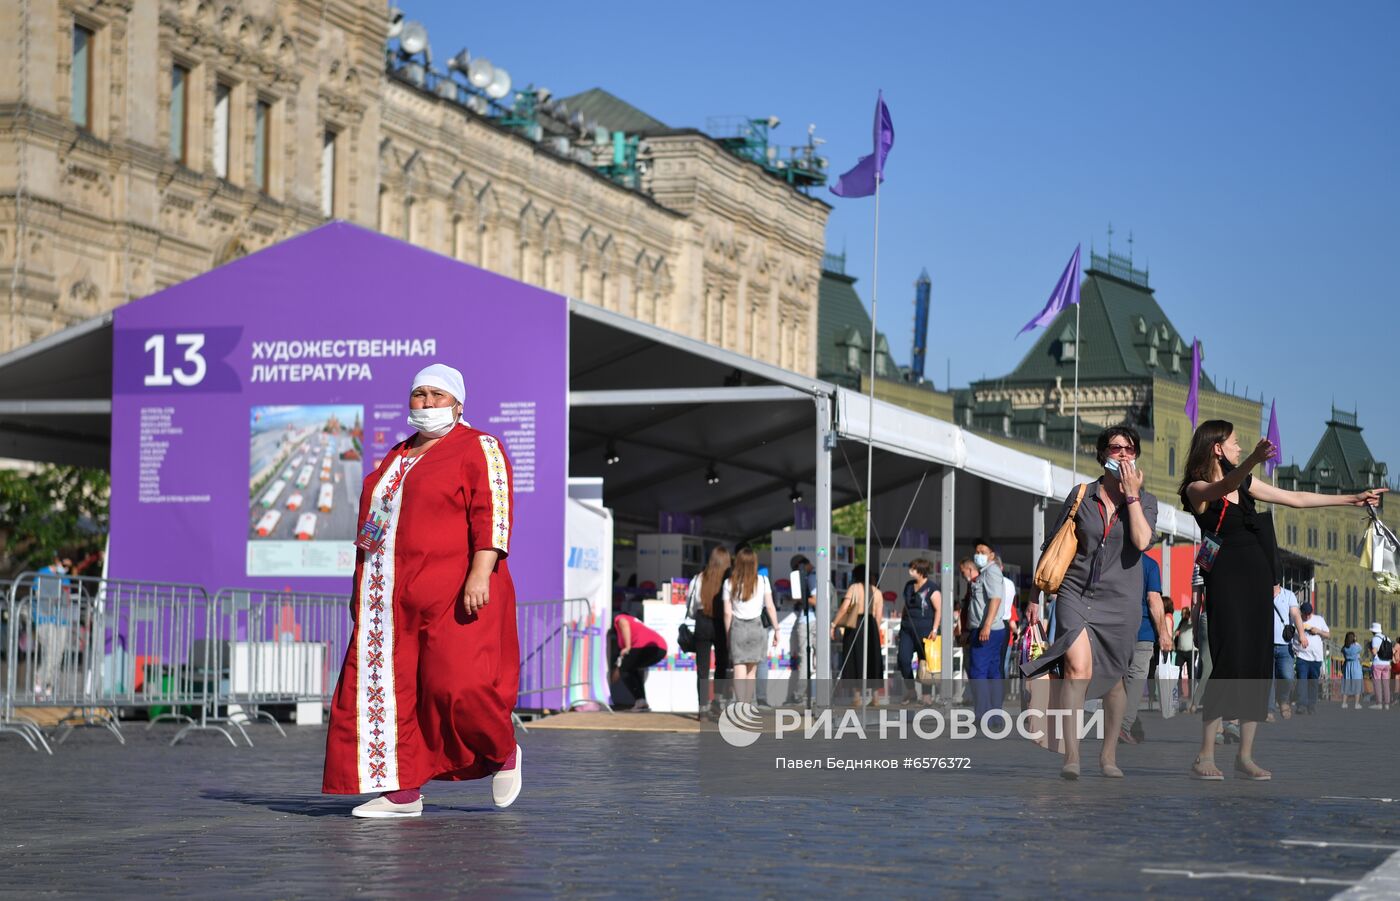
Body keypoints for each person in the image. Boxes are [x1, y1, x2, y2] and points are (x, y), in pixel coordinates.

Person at [323, 363, 521, 818]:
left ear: (458, 403)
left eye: (437, 395)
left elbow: (493, 510)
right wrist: (362, 585)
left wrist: (481, 570)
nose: (427, 403)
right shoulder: (394, 458)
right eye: (419, 394)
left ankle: (502, 749)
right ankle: (403, 790)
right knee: (399, 694)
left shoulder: (479, 447)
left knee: (458, 685)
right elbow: (371, 527)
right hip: (390, 599)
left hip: (455, 591)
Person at [1179, 419, 1382, 781]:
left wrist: (1352, 498)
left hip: (1258, 583)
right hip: (1226, 582)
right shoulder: (1196, 488)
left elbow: (1296, 499)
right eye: (1236, 443)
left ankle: (1245, 755)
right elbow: (1222, 485)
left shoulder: (1245, 481)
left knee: (1257, 665)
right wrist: (1254, 460)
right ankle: (1205, 754)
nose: (1241, 447)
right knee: (1229, 662)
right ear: (1217, 448)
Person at [1023, 427, 1158, 780]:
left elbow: (1142, 541)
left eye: (1129, 449)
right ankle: (1072, 755)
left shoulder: (1145, 501)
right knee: (1077, 669)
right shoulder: (1082, 494)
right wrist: (1035, 595)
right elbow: (1053, 543)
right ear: (1102, 455)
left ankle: (1109, 755)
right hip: (1075, 593)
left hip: (1122, 601)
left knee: (1114, 682)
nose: (1123, 455)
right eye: (1116, 449)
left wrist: (1131, 497)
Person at [1119, 554, 1171, 745]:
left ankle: (1118, 724)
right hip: (1143, 632)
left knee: (1121, 683)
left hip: (1117, 632)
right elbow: (1153, 599)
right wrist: (1164, 633)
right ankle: (1123, 727)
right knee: (1135, 683)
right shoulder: (1150, 565)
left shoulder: (1115, 560)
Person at [722, 546, 780, 704]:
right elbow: (770, 607)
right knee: (751, 671)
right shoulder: (763, 581)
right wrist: (776, 629)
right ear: (754, 563)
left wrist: (728, 635)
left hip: (738, 628)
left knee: (738, 669)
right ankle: (747, 705)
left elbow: (727, 613)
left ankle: (740, 705)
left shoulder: (729, 583)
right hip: (757, 627)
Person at [962, 552, 1008, 723]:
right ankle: (994, 715)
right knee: (992, 672)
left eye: (982, 551)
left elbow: (995, 600)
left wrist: (986, 625)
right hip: (993, 629)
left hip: (986, 630)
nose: (978, 555)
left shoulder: (991, 573)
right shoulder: (991, 575)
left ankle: (983, 714)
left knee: (978, 672)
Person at [688, 546, 732, 719]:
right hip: (721, 624)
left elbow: (690, 606)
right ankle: (717, 702)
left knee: (702, 669)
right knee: (722, 664)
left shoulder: (698, 578)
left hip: (702, 623)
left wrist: (696, 614)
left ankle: (702, 708)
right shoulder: (729, 581)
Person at [831, 564, 883, 692]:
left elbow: (844, 608)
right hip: (871, 625)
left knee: (853, 658)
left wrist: (833, 624)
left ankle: (857, 696)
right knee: (872, 659)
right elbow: (878, 617)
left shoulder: (854, 588)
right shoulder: (877, 592)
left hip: (855, 624)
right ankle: (875, 696)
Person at [896, 558, 941, 704]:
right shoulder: (909, 586)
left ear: (921, 571)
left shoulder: (932, 588)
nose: (911, 571)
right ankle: (911, 690)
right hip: (907, 628)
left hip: (925, 630)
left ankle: (927, 695)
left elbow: (938, 610)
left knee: (925, 662)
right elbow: (906, 606)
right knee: (903, 659)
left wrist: (934, 629)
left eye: (913, 569)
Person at [612, 612, 668, 712]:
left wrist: (628, 646)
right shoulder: (634, 621)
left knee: (625, 669)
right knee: (631, 668)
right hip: (661, 647)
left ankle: (640, 701)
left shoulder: (620, 618)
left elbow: (623, 623)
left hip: (646, 646)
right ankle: (642, 702)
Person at [784, 554, 818, 706]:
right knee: (820, 659)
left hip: (808, 621)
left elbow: (815, 600)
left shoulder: (810, 578)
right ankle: (821, 693)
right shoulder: (819, 575)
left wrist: (798, 597)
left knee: (805, 659)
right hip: (818, 621)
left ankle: (799, 694)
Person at [1270, 585, 1305, 719]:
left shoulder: (1288, 595)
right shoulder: (1260, 591)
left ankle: (1283, 699)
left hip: (1285, 645)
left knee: (1288, 676)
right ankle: (1269, 710)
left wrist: (1301, 634)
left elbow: (1296, 614)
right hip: (1266, 644)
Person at [1291, 602, 1328, 715]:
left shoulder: (1319, 620)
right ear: (1301, 613)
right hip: (1302, 656)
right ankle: (1301, 705)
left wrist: (1318, 631)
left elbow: (1328, 635)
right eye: (1305, 614)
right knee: (1302, 681)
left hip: (1316, 658)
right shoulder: (1296, 620)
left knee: (1313, 682)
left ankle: (1312, 705)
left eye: (1309, 614)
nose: (1307, 616)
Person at [1368, 622, 1393, 710]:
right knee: (1386, 684)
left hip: (1378, 663)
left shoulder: (1375, 638)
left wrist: (1370, 649)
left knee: (1377, 683)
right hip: (1387, 664)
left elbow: (1374, 652)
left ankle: (1379, 704)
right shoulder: (1388, 638)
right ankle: (1387, 704)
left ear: (1373, 631)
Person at [1340, 632, 1363, 709]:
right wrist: (1355, 641)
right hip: (1356, 666)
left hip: (1347, 666)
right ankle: (1356, 704)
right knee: (1357, 685)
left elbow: (1343, 652)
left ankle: (1344, 703)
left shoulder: (1344, 648)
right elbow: (1361, 648)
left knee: (1346, 685)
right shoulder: (1356, 647)